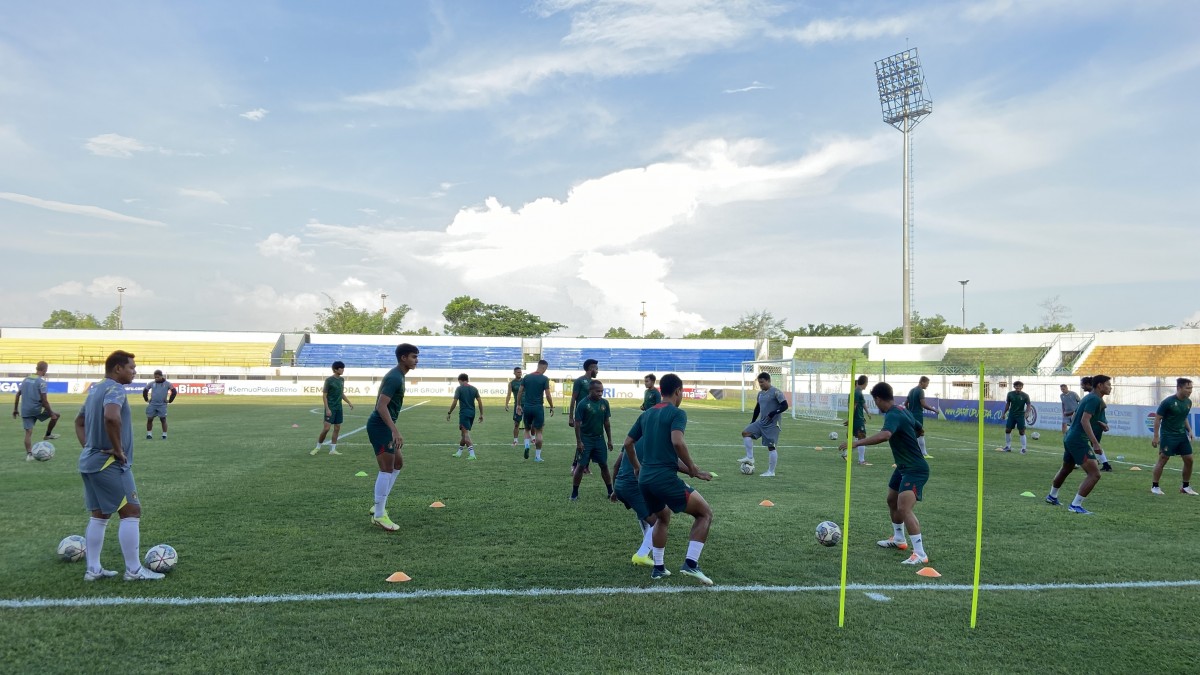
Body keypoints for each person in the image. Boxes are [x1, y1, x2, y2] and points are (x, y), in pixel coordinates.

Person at [74, 350, 164, 581]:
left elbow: (79, 421)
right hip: (109, 464)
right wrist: (117, 449)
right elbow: (111, 417)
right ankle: (134, 571)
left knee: (100, 514)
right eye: (131, 367)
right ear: (117, 369)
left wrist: (89, 446)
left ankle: (93, 569)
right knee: (131, 511)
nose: (134, 371)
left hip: (90, 461)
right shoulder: (115, 388)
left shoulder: (95, 389)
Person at [624, 373, 715, 585]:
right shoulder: (677, 413)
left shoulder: (646, 415)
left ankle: (658, 568)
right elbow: (677, 442)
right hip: (664, 479)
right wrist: (692, 468)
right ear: (677, 392)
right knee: (705, 514)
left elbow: (628, 443)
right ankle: (691, 565)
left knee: (662, 518)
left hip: (645, 480)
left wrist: (637, 468)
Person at [839, 382, 931, 566]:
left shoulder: (894, 413)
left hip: (915, 468)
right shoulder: (901, 410)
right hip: (903, 467)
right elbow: (919, 427)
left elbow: (885, 435)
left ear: (878, 399)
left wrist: (856, 443)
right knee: (891, 500)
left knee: (904, 507)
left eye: (875, 401)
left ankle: (920, 553)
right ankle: (899, 539)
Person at [366, 344, 420, 532]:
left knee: (398, 464)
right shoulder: (395, 377)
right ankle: (380, 514)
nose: (417, 360)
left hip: (384, 426)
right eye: (413, 357)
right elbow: (381, 406)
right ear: (403, 357)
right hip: (379, 426)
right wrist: (394, 430)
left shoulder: (400, 375)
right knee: (387, 469)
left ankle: (378, 506)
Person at [1046, 374, 1111, 514]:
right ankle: (1075, 505)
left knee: (1066, 468)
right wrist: (1095, 443)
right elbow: (1084, 420)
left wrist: (1102, 425)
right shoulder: (1094, 399)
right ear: (1100, 385)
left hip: (1070, 436)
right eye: (1108, 384)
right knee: (1094, 474)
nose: (1110, 387)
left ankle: (1052, 496)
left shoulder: (1090, 398)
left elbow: (1077, 416)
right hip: (1078, 440)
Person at [610, 439, 657, 567]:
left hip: (621, 485)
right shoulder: (654, 439)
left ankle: (645, 549)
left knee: (647, 516)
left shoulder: (632, 439)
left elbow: (616, 465)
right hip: (634, 486)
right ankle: (642, 554)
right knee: (659, 521)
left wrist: (615, 490)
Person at [737, 372, 789, 477]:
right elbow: (757, 408)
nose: (760, 384)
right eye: (759, 383)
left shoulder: (776, 392)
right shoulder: (760, 394)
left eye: (762, 382)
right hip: (761, 422)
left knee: (771, 447)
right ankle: (750, 457)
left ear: (768, 381)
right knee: (746, 432)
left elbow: (785, 405)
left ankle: (771, 471)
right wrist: (753, 421)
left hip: (773, 424)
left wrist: (773, 413)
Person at [1151, 378, 1196, 496]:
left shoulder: (1188, 402)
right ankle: (1155, 486)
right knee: (1163, 459)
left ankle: (1185, 487)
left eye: (1191, 388)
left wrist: (1190, 430)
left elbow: (1184, 417)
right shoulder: (1168, 402)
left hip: (1182, 435)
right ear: (1179, 388)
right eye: (1187, 388)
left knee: (1189, 460)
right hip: (1168, 435)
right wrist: (1156, 436)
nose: (1190, 391)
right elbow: (1157, 418)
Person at [572, 380, 614, 500]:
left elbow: (606, 422)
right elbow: (577, 424)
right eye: (598, 391)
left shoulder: (605, 403)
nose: (600, 393)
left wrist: (609, 440)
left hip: (599, 439)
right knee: (581, 466)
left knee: (604, 465)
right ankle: (574, 493)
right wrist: (579, 442)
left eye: (602, 391)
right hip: (586, 439)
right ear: (590, 391)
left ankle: (610, 491)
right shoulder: (583, 404)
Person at [13, 360, 60, 461]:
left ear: (36, 368)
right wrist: (51, 414)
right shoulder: (41, 382)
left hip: (26, 411)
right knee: (56, 415)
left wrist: (15, 409)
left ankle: (29, 454)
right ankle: (48, 434)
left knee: (28, 433)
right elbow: (44, 400)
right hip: (37, 411)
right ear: (45, 370)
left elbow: (18, 394)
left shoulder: (26, 379)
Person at [515, 360, 554, 462]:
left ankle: (527, 445)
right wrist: (551, 406)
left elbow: (520, 391)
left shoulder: (527, 377)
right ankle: (537, 457)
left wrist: (518, 405)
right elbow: (548, 394)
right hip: (538, 408)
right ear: (544, 367)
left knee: (527, 429)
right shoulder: (544, 379)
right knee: (539, 432)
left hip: (527, 407)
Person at [312, 361, 353, 455]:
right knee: (326, 428)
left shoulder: (342, 380)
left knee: (337, 428)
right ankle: (317, 447)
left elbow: (341, 393)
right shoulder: (329, 380)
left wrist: (349, 402)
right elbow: (324, 396)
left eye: (343, 368)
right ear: (335, 369)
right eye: (341, 368)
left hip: (339, 407)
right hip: (330, 407)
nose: (343, 370)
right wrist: (327, 409)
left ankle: (332, 450)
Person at [568, 359, 599, 475]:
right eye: (596, 368)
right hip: (581, 416)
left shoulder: (593, 383)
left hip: (592, 416)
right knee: (581, 441)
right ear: (591, 368)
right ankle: (575, 465)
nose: (597, 371)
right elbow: (573, 399)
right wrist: (571, 416)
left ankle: (585, 466)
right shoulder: (580, 381)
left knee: (590, 441)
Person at [447, 373, 483, 460]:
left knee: (465, 434)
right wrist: (481, 414)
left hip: (464, 413)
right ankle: (459, 452)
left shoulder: (459, 389)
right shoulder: (474, 389)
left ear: (461, 380)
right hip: (472, 414)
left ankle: (472, 454)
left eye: (459, 382)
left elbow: (455, 402)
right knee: (463, 434)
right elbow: (480, 402)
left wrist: (449, 412)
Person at [904, 376, 940, 459]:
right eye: (927, 383)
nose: (927, 385)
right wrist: (934, 410)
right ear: (922, 382)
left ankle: (920, 453)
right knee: (920, 433)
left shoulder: (912, 390)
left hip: (911, 415)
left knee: (916, 433)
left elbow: (906, 404)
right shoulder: (920, 391)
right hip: (918, 415)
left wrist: (909, 412)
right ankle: (922, 453)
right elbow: (923, 404)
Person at [142, 370, 178, 441]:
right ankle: (149, 434)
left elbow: (174, 391)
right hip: (152, 405)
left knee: (163, 419)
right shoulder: (152, 383)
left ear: (161, 376)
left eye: (158, 377)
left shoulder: (167, 384)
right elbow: (145, 390)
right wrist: (146, 399)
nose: (156, 379)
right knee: (150, 419)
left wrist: (170, 401)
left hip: (162, 405)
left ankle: (164, 435)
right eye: (155, 377)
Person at [846, 375, 872, 466]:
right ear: (864, 383)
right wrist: (851, 419)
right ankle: (861, 460)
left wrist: (867, 413)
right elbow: (854, 406)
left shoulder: (858, 392)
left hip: (858, 418)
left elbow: (862, 403)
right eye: (867, 383)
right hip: (857, 419)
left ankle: (845, 454)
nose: (867, 385)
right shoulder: (857, 392)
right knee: (861, 438)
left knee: (858, 438)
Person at [1002, 381, 1031, 454]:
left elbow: (1028, 405)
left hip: (1020, 415)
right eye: (1016, 386)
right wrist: (1004, 413)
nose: (1018, 387)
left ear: (1022, 387)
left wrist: (1027, 413)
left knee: (1021, 431)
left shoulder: (1025, 395)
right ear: (1014, 387)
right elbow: (1008, 404)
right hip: (1012, 414)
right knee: (1007, 430)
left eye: (1020, 386)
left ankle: (1023, 448)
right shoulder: (1010, 394)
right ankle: (1008, 446)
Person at [505, 366, 524, 447]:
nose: (520, 373)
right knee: (516, 424)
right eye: (518, 372)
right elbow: (509, 394)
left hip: (527, 404)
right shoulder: (511, 383)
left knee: (530, 423)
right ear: (514, 373)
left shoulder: (525, 381)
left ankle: (533, 439)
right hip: (518, 405)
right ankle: (515, 441)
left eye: (520, 372)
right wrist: (506, 404)